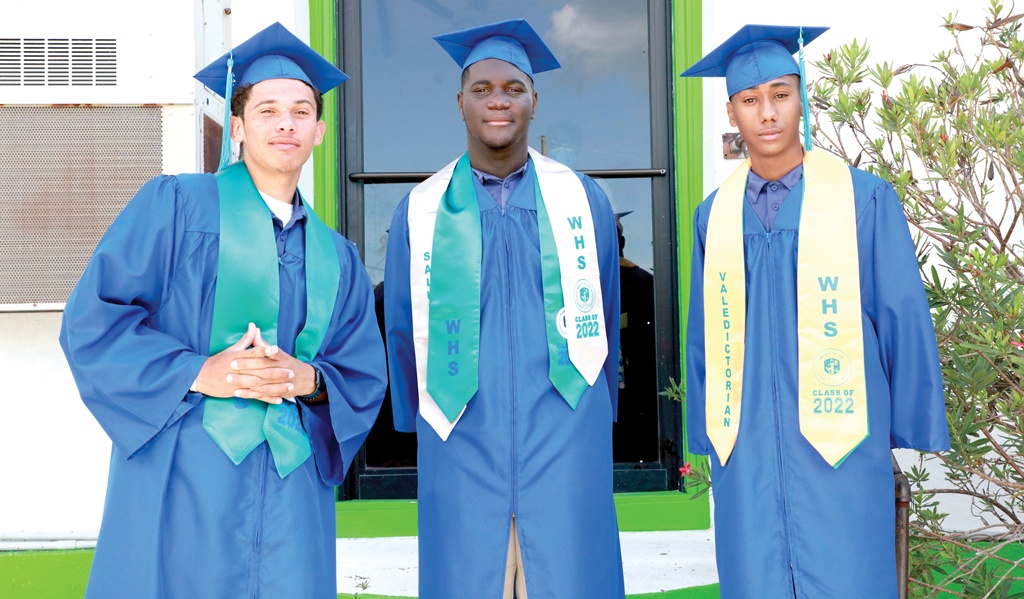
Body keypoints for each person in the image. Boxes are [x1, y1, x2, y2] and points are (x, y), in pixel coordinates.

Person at [59, 22, 387, 598]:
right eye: (267, 110)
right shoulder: (176, 206)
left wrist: (309, 379)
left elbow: (361, 373)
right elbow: (95, 319)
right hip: (184, 473)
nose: (285, 123)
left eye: (301, 111)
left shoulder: (339, 258)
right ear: (236, 126)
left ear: (320, 131)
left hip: (290, 493)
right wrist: (196, 369)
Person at [680, 24, 950, 598]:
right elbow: (705, 332)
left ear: (802, 96)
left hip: (843, 436)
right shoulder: (715, 216)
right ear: (732, 113)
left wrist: (906, 424)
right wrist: (706, 431)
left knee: (849, 572)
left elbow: (901, 312)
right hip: (746, 439)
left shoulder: (864, 198)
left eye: (781, 94)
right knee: (755, 575)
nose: (768, 113)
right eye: (750, 101)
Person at [384, 18, 625, 599]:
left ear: (534, 102)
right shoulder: (421, 211)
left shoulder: (581, 200)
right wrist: (417, 422)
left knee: (571, 575)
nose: (498, 101)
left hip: (565, 427)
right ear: (460, 102)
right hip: (461, 428)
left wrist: (596, 414)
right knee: (466, 575)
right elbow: (399, 325)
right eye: (483, 89)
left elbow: (606, 305)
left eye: (513, 89)